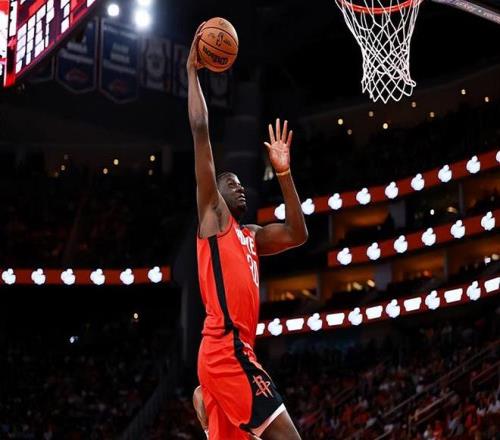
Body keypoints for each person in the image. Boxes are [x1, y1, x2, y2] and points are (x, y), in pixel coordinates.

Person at [187, 23, 307, 440]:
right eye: (230, 182)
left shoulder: (252, 235)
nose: (239, 187)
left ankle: (206, 400)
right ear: (215, 193)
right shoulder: (214, 218)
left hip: (236, 352)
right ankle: (207, 395)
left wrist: (284, 173)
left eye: (241, 183)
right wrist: (192, 72)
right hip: (226, 349)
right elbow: (200, 131)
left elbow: (296, 233)